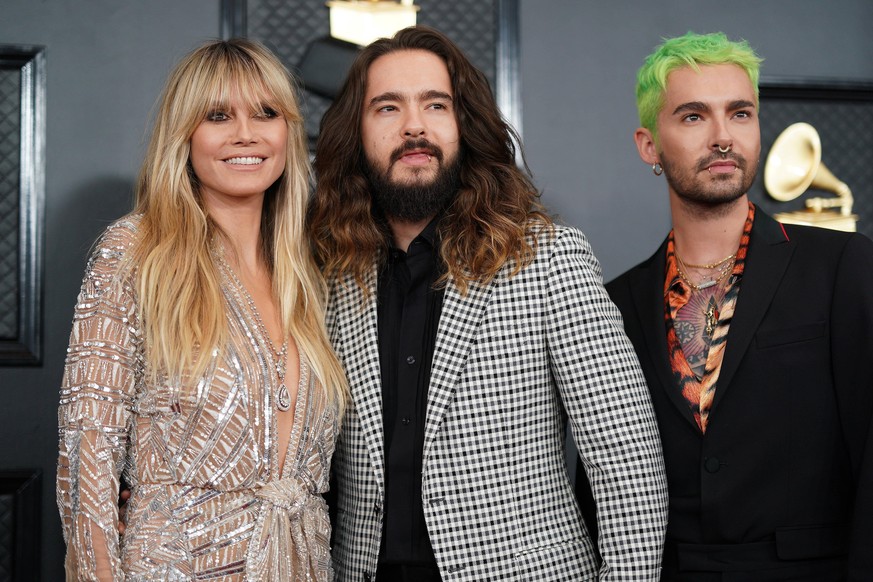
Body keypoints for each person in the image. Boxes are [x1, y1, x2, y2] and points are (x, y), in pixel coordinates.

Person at [308, 26, 668, 581]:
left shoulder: (548, 257)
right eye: (387, 108)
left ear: (463, 125)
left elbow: (624, 454)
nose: (414, 126)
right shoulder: (328, 275)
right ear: (356, 131)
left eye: (436, 105)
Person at [56, 39, 347, 580]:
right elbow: (87, 447)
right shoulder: (137, 250)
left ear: (288, 132)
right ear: (184, 134)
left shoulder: (310, 268)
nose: (246, 133)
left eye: (266, 113)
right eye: (218, 115)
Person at [602, 31, 873, 580]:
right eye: (695, 117)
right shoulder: (616, 303)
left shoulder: (840, 264)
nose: (724, 137)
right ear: (649, 145)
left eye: (741, 113)